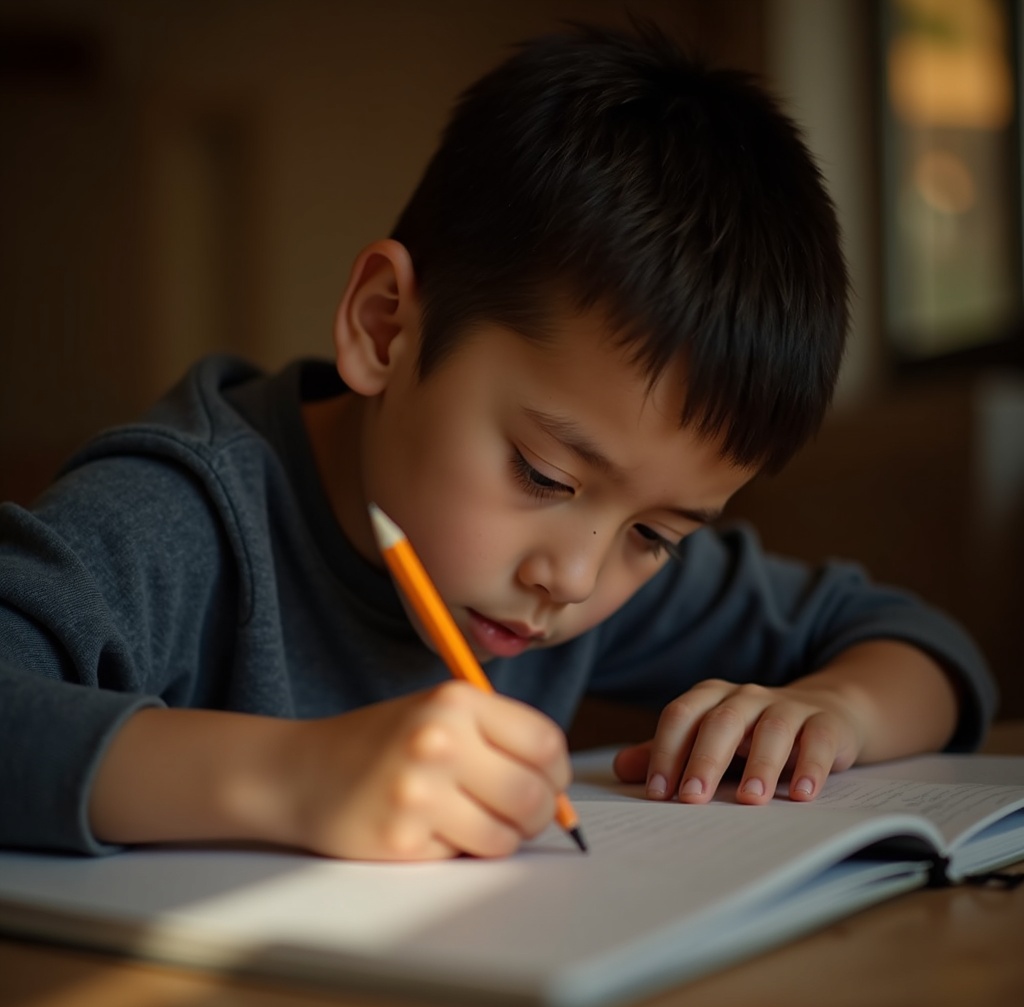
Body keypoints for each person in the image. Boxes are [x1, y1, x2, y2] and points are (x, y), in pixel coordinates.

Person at [0, 22, 996, 862]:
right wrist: (287, 779)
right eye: (543, 473)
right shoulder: (178, 515)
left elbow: (921, 645)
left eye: (657, 536)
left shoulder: (574, 571)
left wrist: (837, 713)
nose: (575, 577)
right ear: (386, 326)